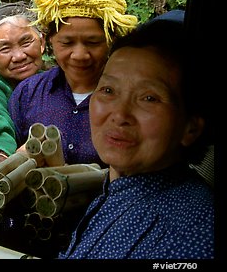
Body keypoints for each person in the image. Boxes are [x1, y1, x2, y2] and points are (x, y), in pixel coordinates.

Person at [58, 13, 214, 259]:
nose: (119, 114)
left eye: (149, 98)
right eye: (108, 90)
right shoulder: (117, 189)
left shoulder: (194, 231)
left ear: (190, 128)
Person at [9, 0, 138, 166]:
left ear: (111, 41)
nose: (79, 55)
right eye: (67, 43)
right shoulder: (29, 94)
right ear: (49, 39)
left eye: (92, 43)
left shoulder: (132, 99)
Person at [0, 1, 45, 169]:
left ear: (42, 43)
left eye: (26, 42)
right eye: (5, 49)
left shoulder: (54, 82)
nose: (19, 56)